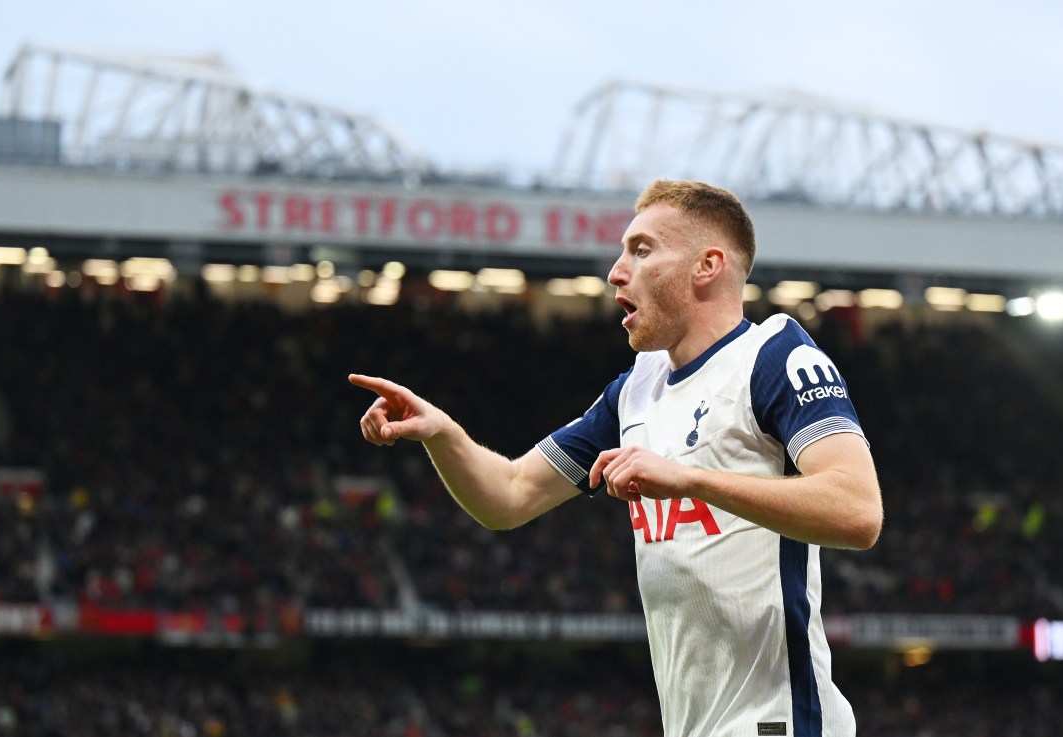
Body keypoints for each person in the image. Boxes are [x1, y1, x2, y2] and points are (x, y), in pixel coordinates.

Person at [350, 178, 882, 737]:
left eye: (642, 249)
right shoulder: (636, 391)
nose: (616, 271)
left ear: (707, 266)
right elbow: (508, 496)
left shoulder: (774, 356)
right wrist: (442, 434)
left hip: (778, 724)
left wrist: (691, 480)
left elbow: (857, 509)